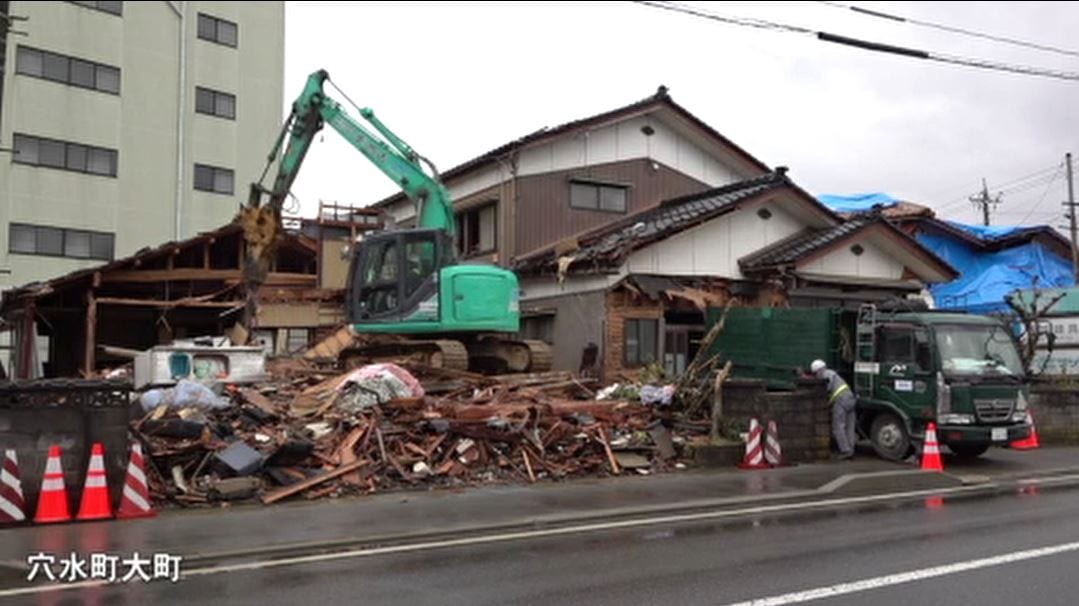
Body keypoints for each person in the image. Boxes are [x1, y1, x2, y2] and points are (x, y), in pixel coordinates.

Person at [811, 359, 856, 460]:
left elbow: (828, 387)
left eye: (815, 374)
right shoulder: (833, 373)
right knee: (849, 426)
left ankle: (845, 451)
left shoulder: (826, 375)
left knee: (838, 427)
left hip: (840, 401)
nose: (816, 376)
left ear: (818, 371)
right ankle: (851, 449)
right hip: (850, 398)